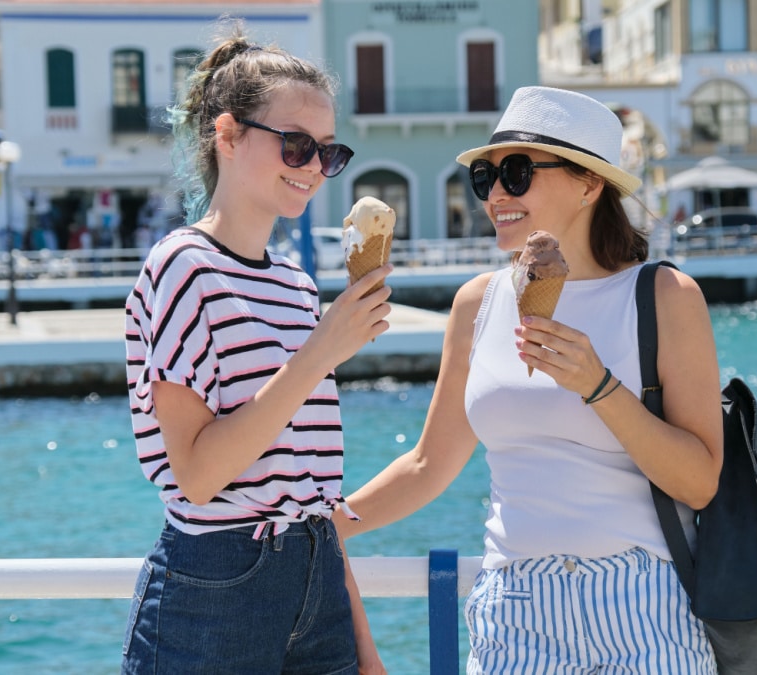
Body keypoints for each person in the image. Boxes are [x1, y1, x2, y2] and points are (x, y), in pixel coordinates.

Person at [338, 87, 724, 673]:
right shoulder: (477, 303)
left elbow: (700, 483)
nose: (496, 194)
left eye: (517, 173)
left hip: (643, 603)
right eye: (485, 177)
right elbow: (427, 464)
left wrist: (598, 386)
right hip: (515, 610)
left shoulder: (664, 296)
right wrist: (328, 524)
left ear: (589, 184)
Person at [120, 25, 390, 675]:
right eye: (296, 145)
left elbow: (313, 490)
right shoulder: (183, 267)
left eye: (328, 152)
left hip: (317, 577)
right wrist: (319, 353)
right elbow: (198, 475)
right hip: (219, 587)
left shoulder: (297, 286)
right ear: (228, 134)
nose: (314, 167)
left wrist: (366, 648)